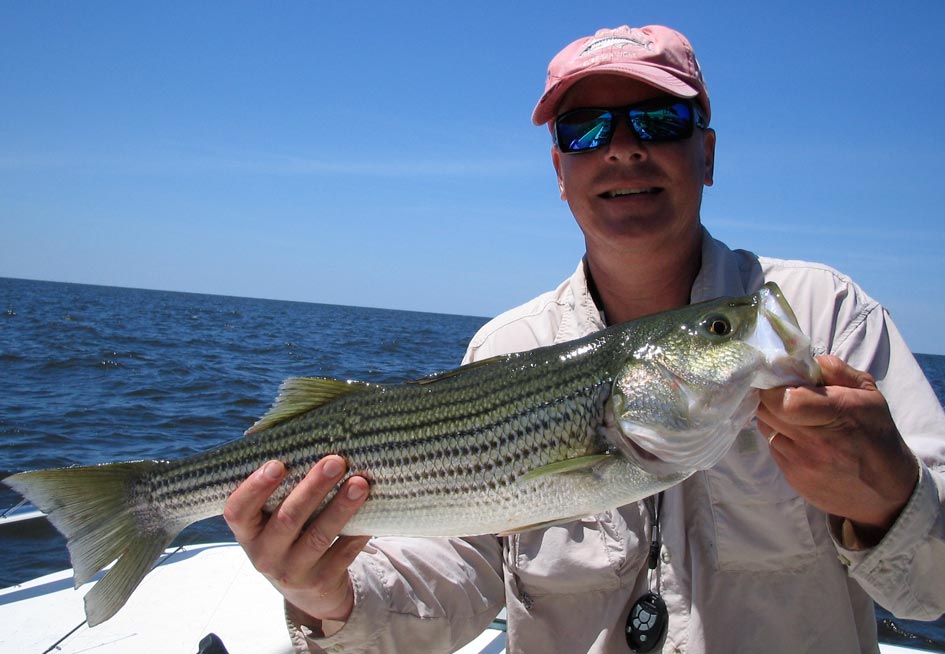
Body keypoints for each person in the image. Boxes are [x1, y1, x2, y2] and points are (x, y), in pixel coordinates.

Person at [224, 25, 945, 653]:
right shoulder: (506, 346)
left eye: (658, 120)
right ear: (559, 172)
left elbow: (931, 594)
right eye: (585, 130)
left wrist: (890, 497)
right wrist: (327, 596)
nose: (623, 149)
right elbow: (455, 573)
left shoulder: (824, 314)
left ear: (707, 154)